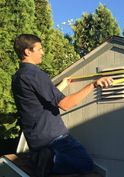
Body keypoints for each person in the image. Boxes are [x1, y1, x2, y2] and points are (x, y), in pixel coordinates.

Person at [11, 34, 113, 177]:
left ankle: (42, 158)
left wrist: (63, 85)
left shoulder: (18, 77)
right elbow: (65, 104)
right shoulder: (35, 74)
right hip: (54, 138)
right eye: (39, 49)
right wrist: (93, 84)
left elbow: (41, 101)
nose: (43, 52)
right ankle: (52, 160)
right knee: (85, 164)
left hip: (36, 140)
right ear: (28, 52)